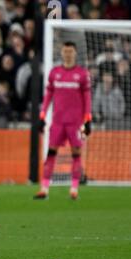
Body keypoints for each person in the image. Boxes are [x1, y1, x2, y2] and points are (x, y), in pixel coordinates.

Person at [34, 41, 92, 200]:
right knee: (51, 153)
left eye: (70, 51)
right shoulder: (54, 73)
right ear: (61, 53)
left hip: (75, 123)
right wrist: (42, 116)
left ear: (74, 53)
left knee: (76, 154)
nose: (67, 54)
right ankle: (44, 189)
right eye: (65, 51)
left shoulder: (82, 74)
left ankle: (74, 190)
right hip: (58, 122)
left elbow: (87, 98)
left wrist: (88, 119)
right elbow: (48, 97)